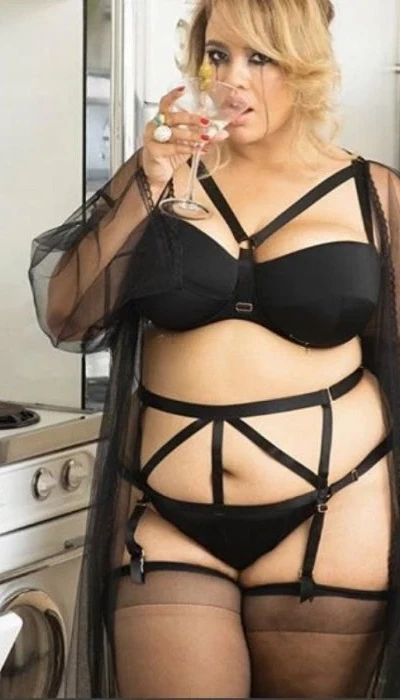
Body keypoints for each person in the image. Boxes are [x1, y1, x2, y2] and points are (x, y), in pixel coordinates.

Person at [28, 0, 400, 697]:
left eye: (261, 59)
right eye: (219, 55)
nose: (233, 80)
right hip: (166, 517)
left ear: (305, 66)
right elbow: (68, 315)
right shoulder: (163, 173)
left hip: (333, 513)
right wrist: (148, 177)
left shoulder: (373, 194)